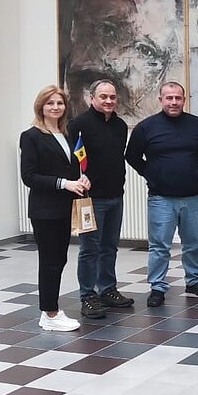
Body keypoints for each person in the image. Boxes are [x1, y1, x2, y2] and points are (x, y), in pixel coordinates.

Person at [126, 82, 198, 306]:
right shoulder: (146, 127)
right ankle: (158, 286)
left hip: (192, 196)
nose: (174, 102)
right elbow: (131, 156)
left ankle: (194, 280)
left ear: (184, 100)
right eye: (169, 98)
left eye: (178, 98)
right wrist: (151, 175)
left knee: (193, 242)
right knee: (160, 245)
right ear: (160, 100)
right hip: (161, 198)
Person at [20, 86, 91, 331]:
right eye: (50, 103)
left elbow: (71, 168)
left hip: (64, 208)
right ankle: (49, 314)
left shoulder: (66, 134)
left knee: (58, 259)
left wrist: (81, 179)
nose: (55, 107)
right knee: (49, 261)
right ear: (41, 107)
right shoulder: (31, 136)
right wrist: (64, 184)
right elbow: (29, 176)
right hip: (45, 210)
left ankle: (51, 309)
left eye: (59, 103)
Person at [68, 79, 133, 320]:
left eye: (112, 97)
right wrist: (78, 179)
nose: (108, 101)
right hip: (90, 199)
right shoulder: (78, 125)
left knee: (109, 247)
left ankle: (107, 289)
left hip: (116, 195)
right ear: (91, 98)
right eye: (103, 96)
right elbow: (72, 161)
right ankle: (88, 295)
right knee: (89, 249)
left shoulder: (120, 125)